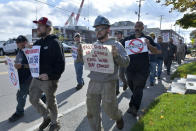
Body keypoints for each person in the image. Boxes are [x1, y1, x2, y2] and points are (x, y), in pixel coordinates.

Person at [78, 16, 130, 130]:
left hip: (109, 82)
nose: (98, 31)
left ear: (108, 30)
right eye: (96, 29)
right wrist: (81, 55)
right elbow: (86, 62)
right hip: (93, 82)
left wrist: (116, 55)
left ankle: (118, 117)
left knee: (110, 109)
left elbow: (126, 62)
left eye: (100, 29)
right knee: (91, 112)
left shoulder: (116, 45)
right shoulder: (93, 45)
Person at [29, 17, 65, 131]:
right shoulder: (37, 42)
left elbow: (61, 64)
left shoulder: (55, 43)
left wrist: (50, 75)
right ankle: (47, 117)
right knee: (33, 99)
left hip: (49, 79)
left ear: (48, 28)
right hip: (37, 78)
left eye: (40, 25)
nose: (37, 28)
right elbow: (32, 60)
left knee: (50, 102)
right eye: (37, 25)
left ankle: (55, 123)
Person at [122, 21, 159, 116]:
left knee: (138, 88)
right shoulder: (128, 39)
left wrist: (149, 45)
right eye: (136, 26)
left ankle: (134, 107)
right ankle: (133, 104)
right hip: (130, 69)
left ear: (143, 28)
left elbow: (156, 51)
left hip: (142, 69)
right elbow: (119, 48)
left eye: (139, 26)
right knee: (133, 88)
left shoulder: (147, 39)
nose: (137, 28)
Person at [8, 35, 46, 122]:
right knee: (31, 92)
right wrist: (11, 63)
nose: (17, 44)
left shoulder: (31, 50)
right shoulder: (20, 51)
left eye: (19, 42)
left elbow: (35, 65)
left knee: (20, 95)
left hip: (28, 78)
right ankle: (44, 97)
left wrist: (22, 65)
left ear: (25, 42)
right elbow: (18, 61)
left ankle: (19, 112)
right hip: (21, 78)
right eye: (17, 43)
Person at [115, 31, 128, 95]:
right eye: (116, 34)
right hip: (115, 60)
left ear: (122, 35)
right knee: (115, 75)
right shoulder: (115, 42)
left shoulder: (125, 41)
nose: (117, 35)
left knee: (121, 75)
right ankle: (117, 90)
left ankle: (125, 83)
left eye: (118, 34)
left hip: (123, 60)